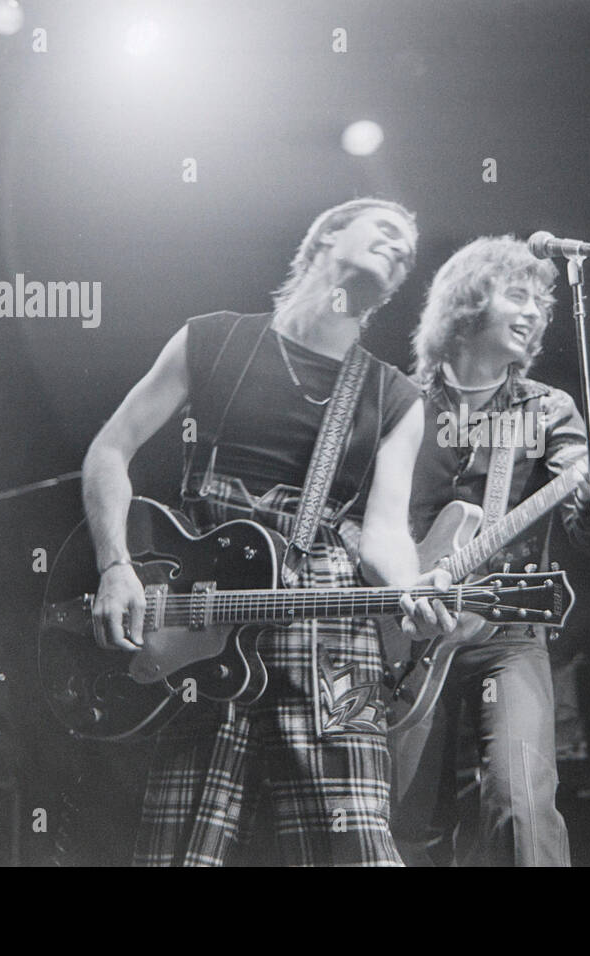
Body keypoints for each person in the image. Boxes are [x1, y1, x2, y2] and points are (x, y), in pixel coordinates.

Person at [80, 197, 454, 866]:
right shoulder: (212, 338)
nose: (401, 248)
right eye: (387, 230)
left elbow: (384, 536)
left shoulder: (394, 395)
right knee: (179, 855)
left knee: (361, 847)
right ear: (330, 233)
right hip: (204, 607)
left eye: (408, 250)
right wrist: (116, 565)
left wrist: (411, 591)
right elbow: (109, 451)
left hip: (332, 620)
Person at [391, 235, 590, 866]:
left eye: (542, 304)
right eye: (517, 296)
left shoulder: (548, 410)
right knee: (400, 824)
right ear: (467, 304)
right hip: (405, 639)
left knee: (520, 807)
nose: (535, 313)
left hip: (508, 632)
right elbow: (355, 519)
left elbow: (586, 520)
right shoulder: (399, 405)